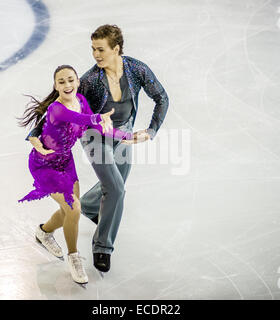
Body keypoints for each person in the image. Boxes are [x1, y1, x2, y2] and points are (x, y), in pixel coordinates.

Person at [26, 24, 169, 273]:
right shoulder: (91, 80)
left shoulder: (136, 69)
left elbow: (162, 98)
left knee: (114, 187)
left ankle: (92, 208)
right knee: (116, 189)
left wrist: (151, 129)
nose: (96, 55)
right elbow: (59, 101)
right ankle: (102, 247)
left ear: (116, 49)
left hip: (122, 134)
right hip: (95, 137)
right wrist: (35, 132)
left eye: (100, 49)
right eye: (93, 49)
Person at [17, 64, 133, 284]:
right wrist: (100, 118)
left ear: (78, 82)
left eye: (71, 80)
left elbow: (96, 127)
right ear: (55, 85)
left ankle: (43, 232)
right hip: (45, 164)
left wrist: (124, 135)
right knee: (75, 208)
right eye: (61, 82)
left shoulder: (81, 100)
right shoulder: (56, 109)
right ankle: (74, 256)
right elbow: (83, 120)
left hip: (66, 163)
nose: (67, 85)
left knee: (70, 212)